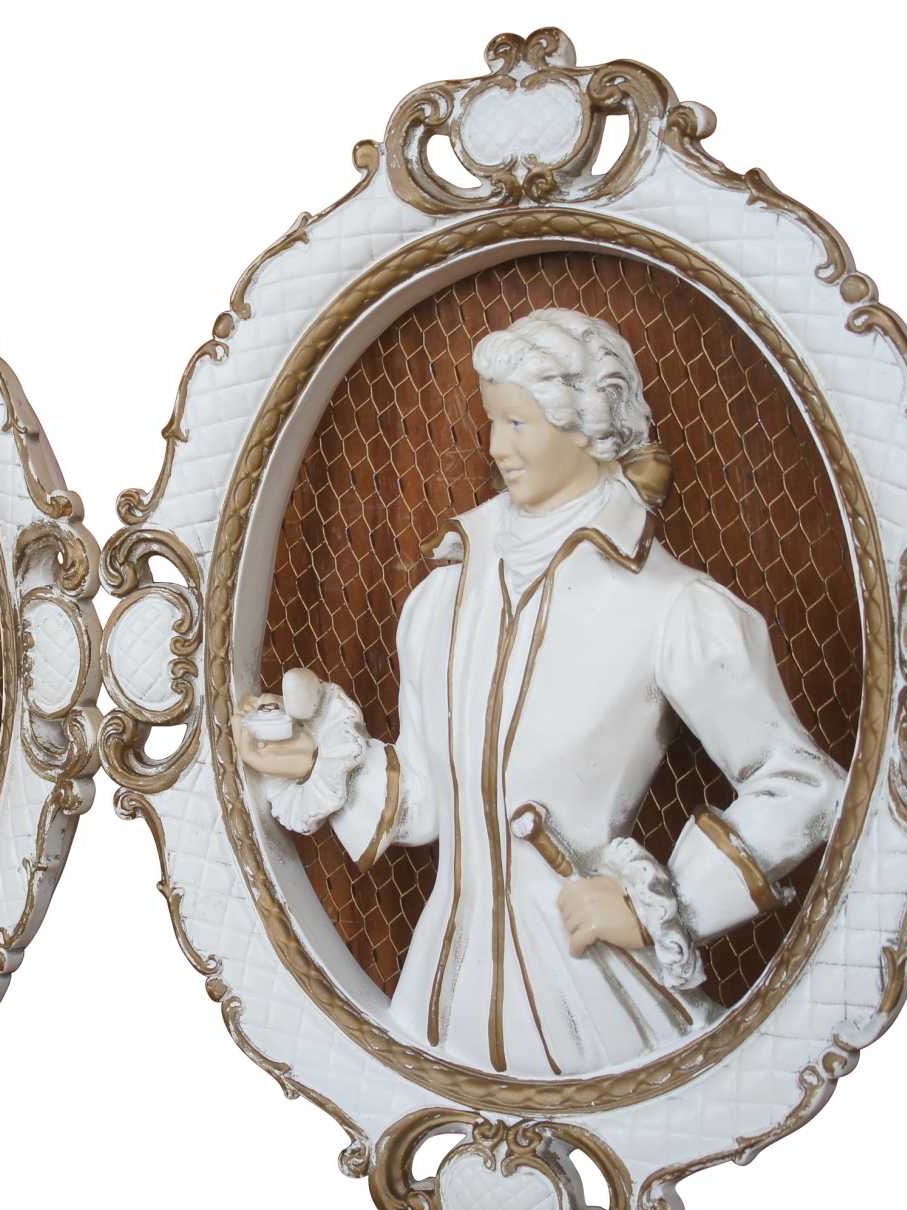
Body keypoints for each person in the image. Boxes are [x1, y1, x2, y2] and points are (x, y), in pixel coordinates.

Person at [234, 308, 845, 1077]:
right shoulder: (442, 597)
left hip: (587, 999)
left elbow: (802, 784)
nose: (496, 446)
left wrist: (665, 904)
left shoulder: (672, 607)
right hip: (439, 1000)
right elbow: (428, 803)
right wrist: (315, 759)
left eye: (518, 422)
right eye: (492, 419)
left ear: (587, 427)